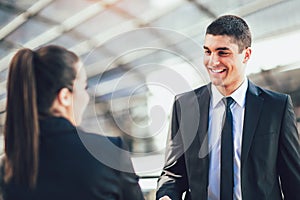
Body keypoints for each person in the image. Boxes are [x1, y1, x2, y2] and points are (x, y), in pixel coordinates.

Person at [156, 15, 300, 200]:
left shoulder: (276, 108)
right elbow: (173, 173)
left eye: (223, 52)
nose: (212, 62)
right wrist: (166, 196)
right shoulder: (185, 106)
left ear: (246, 55)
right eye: (208, 52)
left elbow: (293, 181)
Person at [0, 45, 144, 200]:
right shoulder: (109, 152)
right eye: (84, 87)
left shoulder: (9, 167)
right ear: (65, 97)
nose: (86, 97)